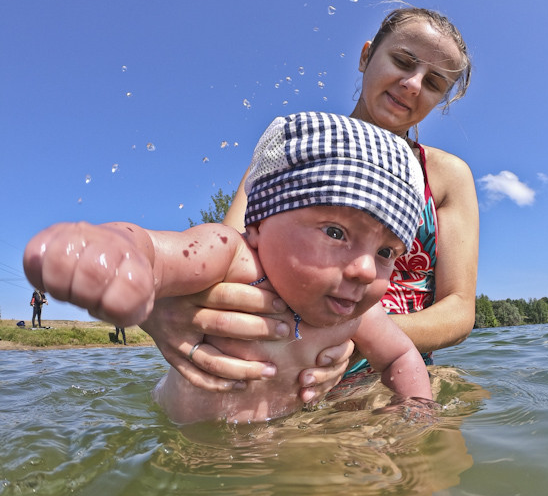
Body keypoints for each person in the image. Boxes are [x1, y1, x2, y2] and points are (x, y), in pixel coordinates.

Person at [141, 4, 479, 399]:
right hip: (283, 365)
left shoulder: (446, 175)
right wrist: (156, 306)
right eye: (403, 61)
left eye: (435, 83)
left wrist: (354, 335)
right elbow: (229, 250)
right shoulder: (293, 150)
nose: (413, 84)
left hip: (393, 374)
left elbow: (459, 308)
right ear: (366, 55)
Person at [23, 112, 433, 424]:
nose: (364, 269)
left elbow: (402, 358)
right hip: (182, 442)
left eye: (386, 252)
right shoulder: (231, 258)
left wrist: (416, 414)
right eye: (335, 232)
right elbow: (153, 248)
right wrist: (110, 253)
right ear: (257, 223)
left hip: (280, 442)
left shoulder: (355, 313)